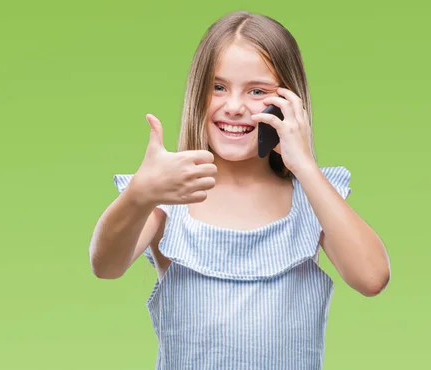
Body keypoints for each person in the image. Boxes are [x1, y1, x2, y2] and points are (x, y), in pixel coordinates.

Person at [88, 10, 390, 370]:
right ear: (197, 93)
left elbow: (372, 278)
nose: (233, 107)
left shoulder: (312, 199)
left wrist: (305, 165)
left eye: (257, 91)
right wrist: (140, 194)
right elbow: (105, 265)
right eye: (218, 87)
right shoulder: (170, 195)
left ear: (289, 103)